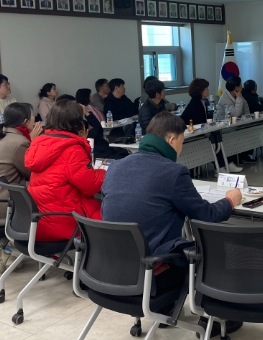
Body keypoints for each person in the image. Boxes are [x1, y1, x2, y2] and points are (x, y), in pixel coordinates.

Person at [101, 111, 243, 336]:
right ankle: (216, 319)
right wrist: (229, 201)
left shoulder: (116, 167)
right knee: (211, 249)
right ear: (171, 140)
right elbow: (206, 215)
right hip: (151, 274)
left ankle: (165, 308)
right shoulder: (172, 172)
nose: (180, 149)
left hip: (111, 269)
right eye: (181, 143)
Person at [25, 100, 106, 241]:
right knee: (116, 217)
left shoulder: (39, 142)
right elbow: (91, 186)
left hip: (39, 221)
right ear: (77, 122)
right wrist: (106, 173)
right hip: (65, 223)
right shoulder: (72, 149)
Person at [0, 103, 42, 272]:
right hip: (1, 205)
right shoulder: (19, 142)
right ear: (26, 121)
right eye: (33, 116)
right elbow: (31, 172)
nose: (35, 119)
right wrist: (34, 142)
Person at [75, 89, 127, 160]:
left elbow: (97, 128)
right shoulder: (78, 123)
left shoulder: (90, 109)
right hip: (100, 152)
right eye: (90, 95)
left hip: (103, 149)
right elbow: (98, 129)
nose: (92, 97)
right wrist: (87, 114)